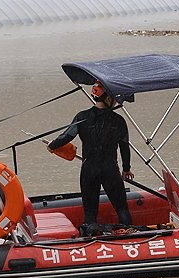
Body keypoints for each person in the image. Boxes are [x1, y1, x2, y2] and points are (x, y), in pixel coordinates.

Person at [47, 82, 133, 229]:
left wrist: (52, 145)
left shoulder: (82, 117)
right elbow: (124, 147)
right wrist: (126, 169)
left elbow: (66, 136)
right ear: (107, 98)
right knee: (122, 209)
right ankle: (130, 236)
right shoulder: (119, 121)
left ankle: (90, 237)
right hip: (110, 169)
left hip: (89, 170)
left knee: (90, 213)